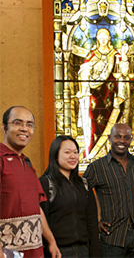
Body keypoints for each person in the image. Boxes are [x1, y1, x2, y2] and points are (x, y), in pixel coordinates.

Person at [83, 123, 134, 257]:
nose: (122, 141)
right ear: (110, 138)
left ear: (131, 140)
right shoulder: (97, 167)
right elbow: (81, 196)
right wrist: (94, 222)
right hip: (112, 240)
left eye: (126, 137)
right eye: (118, 136)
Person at [0, 106, 61, 258]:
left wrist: (51, 241)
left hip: (34, 251)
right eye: (18, 123)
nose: (24, 129)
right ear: (4, 127)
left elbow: (36, 206)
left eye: (29, 125)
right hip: (8, 252)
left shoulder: (26, 162)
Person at [39, 135, 99, 258]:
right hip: (57, 252)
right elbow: (40, 222)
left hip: (84, 251)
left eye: (76, 152)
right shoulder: (45, 183)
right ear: (55, 155)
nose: (73, 156)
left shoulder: (84, 184)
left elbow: (92, 222)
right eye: (67, 152)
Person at [77, 28, 131, 161]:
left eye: (105, 38)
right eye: (100, 38)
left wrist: (124, 57)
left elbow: (124, 71)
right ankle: (93, 153)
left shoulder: (116, 54)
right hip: (94, 95)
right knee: (94, 123)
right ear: (96, 39)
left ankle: (109, 151)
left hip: (111, 93)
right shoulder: (92, 55)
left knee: (111, 122)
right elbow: (83, 71)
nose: (102, 40)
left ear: (109, 39)